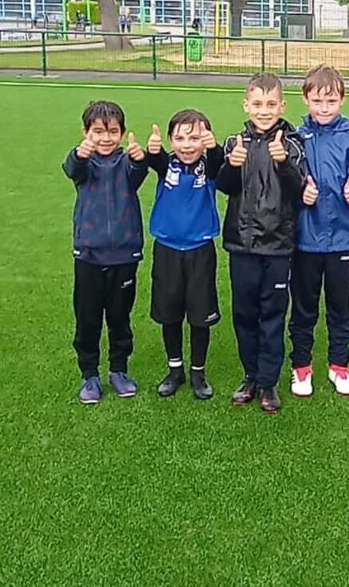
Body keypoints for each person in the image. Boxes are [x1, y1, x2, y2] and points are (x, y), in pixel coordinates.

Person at [216, 73, 307, 414]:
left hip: (278, 245)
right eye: (257, 104)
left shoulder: (293, 144)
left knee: (272, 314)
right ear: (246, 105)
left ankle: (268, 382)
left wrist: (283, 163)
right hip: (241, 244)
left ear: (282, 106)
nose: (264, 111)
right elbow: (225, 186)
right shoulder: (234, 142)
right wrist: (231, 165)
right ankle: (251, 376)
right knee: (244, 313)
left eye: (271, 104)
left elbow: (298, 189)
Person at [61, 100, 149, 404]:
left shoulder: (127, 162)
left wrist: (140, 159)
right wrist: (79, 153)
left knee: (119, 317)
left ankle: (118, 370)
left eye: (112, 131)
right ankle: (90, 375)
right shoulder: (84, 162)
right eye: (98, 131)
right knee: (87, 319)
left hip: (124, 255)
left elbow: (138, 174)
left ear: (122, 133)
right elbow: (71, 168)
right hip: (88, 255)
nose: (106, 138)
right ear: (86, 132)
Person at [288, 65, 349, 398]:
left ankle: (338, 364)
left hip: (341, 239)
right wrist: (300, 193)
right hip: (305, 239)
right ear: (306, 99)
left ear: (342, 100)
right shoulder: (295, 137)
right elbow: (285, 182)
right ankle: (301, 366)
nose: (324, 108)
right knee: (303, 307)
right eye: (318, 100)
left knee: (339, 306)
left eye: (331, 101)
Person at [143, 110, 224, 401]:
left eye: (195, 138)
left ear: (205, 139)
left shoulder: (209, 166)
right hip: (167, 249)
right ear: (170, 140)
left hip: (200, 250)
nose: (187, 145)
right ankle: (175, 370)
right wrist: (153, 151)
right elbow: (154, 161)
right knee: (170, 313)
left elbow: (218, 163)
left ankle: (198, 372)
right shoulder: (167, 164)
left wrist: (214, 148)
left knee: (200, 316)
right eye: (179, 138)